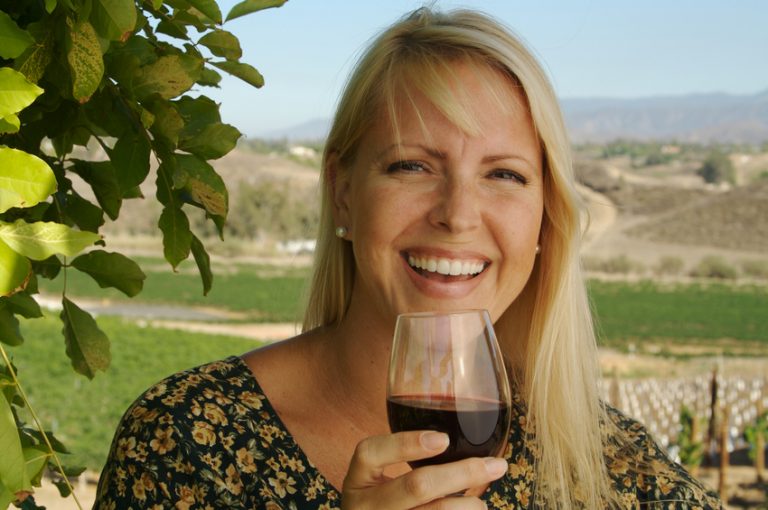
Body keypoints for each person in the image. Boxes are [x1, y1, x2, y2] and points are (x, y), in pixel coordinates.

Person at [93, 7, 722, 509]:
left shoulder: (607, 466)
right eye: (412, 166)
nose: (458, 214)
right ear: (343, 191)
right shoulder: (183, 445)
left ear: (543, 221)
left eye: (503, 174)